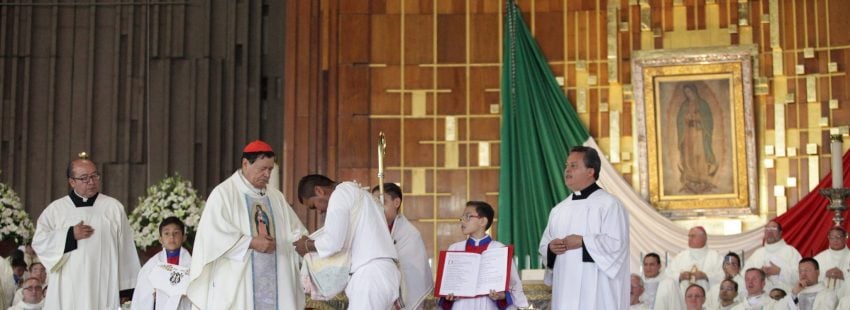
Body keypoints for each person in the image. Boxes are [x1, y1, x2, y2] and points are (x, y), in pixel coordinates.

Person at [186, 140, 308, 310]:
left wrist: (307, 244)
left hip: (278, 281)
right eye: (262, 169)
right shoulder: (224, 194)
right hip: (240, 283)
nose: (267, 175)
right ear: (245, 164)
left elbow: (294, 232)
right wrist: (252, 242)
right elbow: (213, 235)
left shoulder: (276, 197)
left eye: (270, 169)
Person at [32, 157, 141, 309]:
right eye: (84, 178)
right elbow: (39, 241)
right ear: (72, 182)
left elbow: (126, 249)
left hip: (103, 285)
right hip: (67, 287)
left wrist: (126, 288)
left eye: (94, 176)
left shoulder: (113, 208)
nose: (91, 181)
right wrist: (70, 235)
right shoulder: (56, 210)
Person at [538, 146, 630, 309]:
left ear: (590, 171)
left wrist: (583, 242)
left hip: (599, 291)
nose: (567, 170)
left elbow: (617, 245)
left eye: (574, 165)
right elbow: (545, 246)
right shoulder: (559, 210)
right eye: (566, 165)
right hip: (565, 289)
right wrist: (551, 249)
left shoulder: (610, 205)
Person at [294, 174, 400, 309]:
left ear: (319, 191)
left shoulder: (340, 194)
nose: (320, 211)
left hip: (370, 276)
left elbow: (333, 242)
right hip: (384, 273)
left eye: (314, 206)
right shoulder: (361, 194)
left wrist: (307, 245)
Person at [437, 201, 528, 309]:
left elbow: (513, 287)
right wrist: (448, 296)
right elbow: (447, 289)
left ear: (483, 221)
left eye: (468, 216)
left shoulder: (499, 249)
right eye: (462, 217)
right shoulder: (455, 249)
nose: (462, 221)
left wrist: (501, 296)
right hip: (461, 305)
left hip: (488, 305)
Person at [371, 183, 433, 309]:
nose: (377, 208)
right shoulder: (369, 231)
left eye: (382, 202)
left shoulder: (410, 235)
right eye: (374, 204)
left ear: (397, 202)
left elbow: (415, 274)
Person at [132, 216, 193, 310]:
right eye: (167, 233)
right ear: (160, 239)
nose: (171, 237)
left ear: (184, 237)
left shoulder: (193, 264)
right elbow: (142, 294)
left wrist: (189, 292)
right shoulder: (151, 265)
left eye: (176, 233)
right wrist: (154, 293)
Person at [676, 83, 717, 194]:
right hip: (688, 133)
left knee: (699, 153)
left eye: (689, 92)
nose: (687, 94)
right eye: (686, 93)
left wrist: (699, 118)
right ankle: (691, 176)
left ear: (694, 91)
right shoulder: (684, 105)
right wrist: (685, 119)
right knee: (690, 154)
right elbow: (679, 120)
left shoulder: (703, 104)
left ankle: (702, 176)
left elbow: (708, 120)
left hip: (699, 133)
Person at [743, 220, 802, 292]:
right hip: (762, 299)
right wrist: (760, 274)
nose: (770, 232)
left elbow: (801, 276)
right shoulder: (757, 254)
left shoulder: (791, 252)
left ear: (780, 233)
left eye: (773, 229)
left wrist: (779, 271)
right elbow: (744, 277)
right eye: (767, 229)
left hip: (786, 297)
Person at [666, 226, 723, 296]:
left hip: (708, 300)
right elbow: (668, 274)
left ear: (704, 238)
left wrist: (706, 276)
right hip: (684, 301)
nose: (689, 239)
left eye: (692, 236)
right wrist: (680, 276)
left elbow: (722, 275)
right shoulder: (680, 256)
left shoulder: (715, 257)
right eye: (689, 236)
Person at [813, 226, 849, 291]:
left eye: (838, 237)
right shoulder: (819, 258)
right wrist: (825, 273)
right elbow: (810, 276)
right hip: (823, 296)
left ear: (845, 238)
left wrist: (844, 275)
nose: (835, 240)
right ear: (828, 238)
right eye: (832, 237)